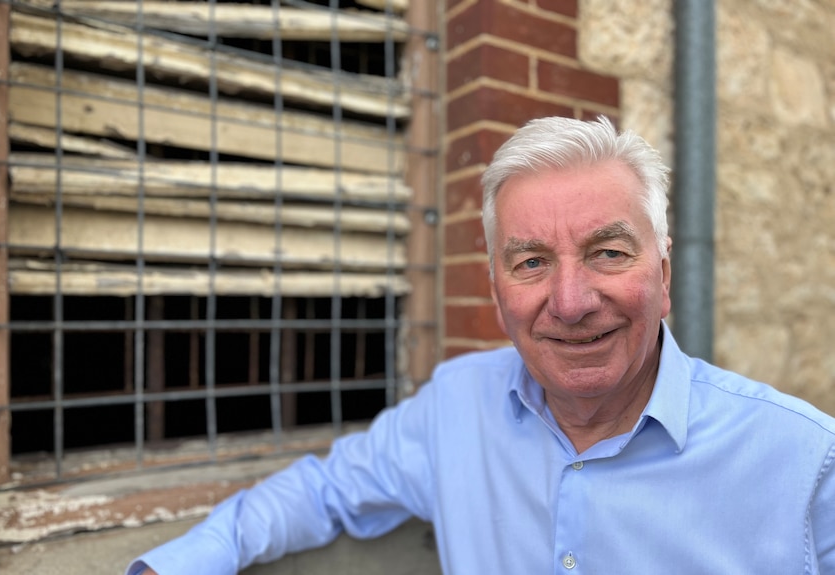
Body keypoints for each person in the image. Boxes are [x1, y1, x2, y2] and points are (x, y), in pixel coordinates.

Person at [128, 116, 835, 575]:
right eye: (530, 262)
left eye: (608, 252)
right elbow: (324, 490)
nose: (570, 301)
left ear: (665, 276)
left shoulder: (805, 466)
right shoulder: (456, 405)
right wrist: (183, 562)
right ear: (498, 295)